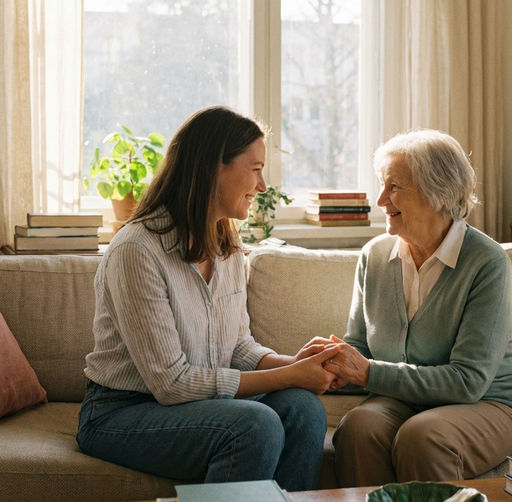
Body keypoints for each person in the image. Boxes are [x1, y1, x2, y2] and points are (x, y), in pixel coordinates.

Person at [76, 106, 341, 492]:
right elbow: (172, 384)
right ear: (213, 167)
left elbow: (237, 346)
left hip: (194, 406)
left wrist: (297, 364)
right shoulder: (137, 250)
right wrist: (287, 375)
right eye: (255, 169)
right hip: (120, 412)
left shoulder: (227, 248)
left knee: (304, 409)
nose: (262, 185)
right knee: (255, 425)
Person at [318, 129, 512, 487]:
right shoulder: (374, 256)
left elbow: (468, 381)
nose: (380, 200)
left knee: (424, 436)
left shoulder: (487, 263)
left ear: (439, 192)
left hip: (489, 404)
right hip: (401, 400)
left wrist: (368, 372)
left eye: (394, 187)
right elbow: (361, 346)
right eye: (382, 186)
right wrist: (331, 365)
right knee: (358, 427)